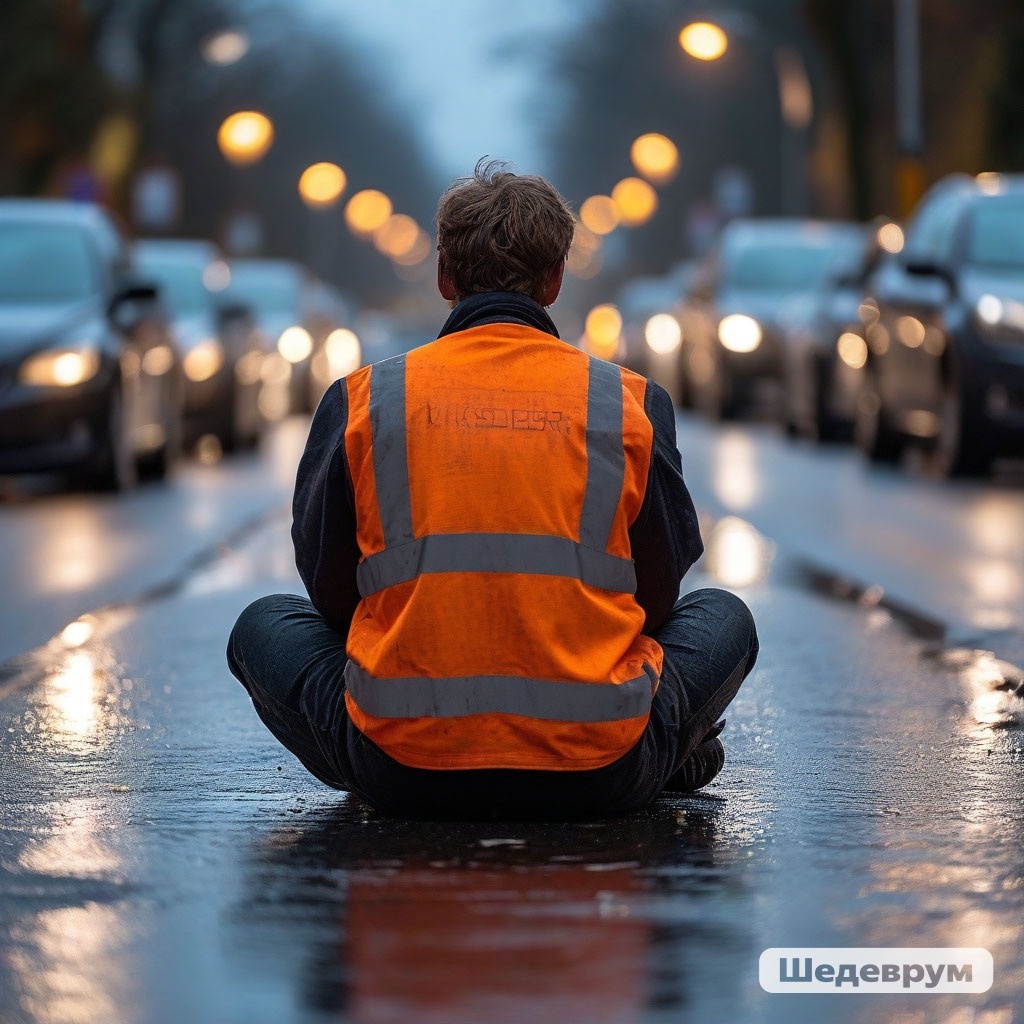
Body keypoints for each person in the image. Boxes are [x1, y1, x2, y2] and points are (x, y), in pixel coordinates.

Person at [227, 159, 758, 820]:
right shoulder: (628, 403)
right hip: (600, 768)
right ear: (556, 280)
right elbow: (656, 598)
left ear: (444, 275)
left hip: (402, 768)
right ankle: (669, 753)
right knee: (724, 618)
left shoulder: (367, 400)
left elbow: (331, 594)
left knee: (262, 625)